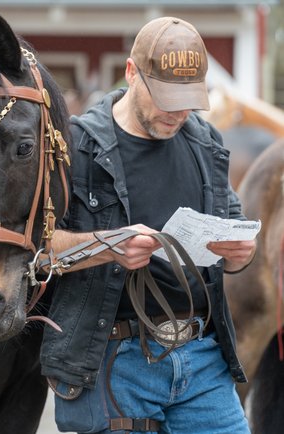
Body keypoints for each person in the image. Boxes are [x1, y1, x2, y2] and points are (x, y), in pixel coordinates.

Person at [40, 17, 257, 434]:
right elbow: (37, 250)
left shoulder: (205, 142)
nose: (178, 112)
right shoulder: (77, 146)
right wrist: (106, 247)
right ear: (130, 73)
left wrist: (238, 255)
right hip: (115, 362)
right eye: (166, 98)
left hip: (203, 359)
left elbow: (230, 226)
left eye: (188, 99)